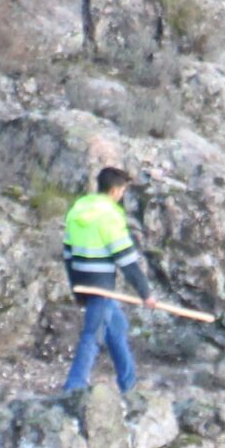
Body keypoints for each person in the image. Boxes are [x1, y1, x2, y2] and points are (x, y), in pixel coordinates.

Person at [61, 167, 155, 393]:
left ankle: (129, 383)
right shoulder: (110, 215)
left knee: (117, 327)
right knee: (92, 335)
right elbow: (127, 260)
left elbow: (67, 253)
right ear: (114, 190)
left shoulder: (79, 208)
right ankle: (74, 387)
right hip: (102, 284)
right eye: (122, 190)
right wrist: (146, 293)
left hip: (82, 278)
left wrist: (76, 288)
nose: (122, 194)